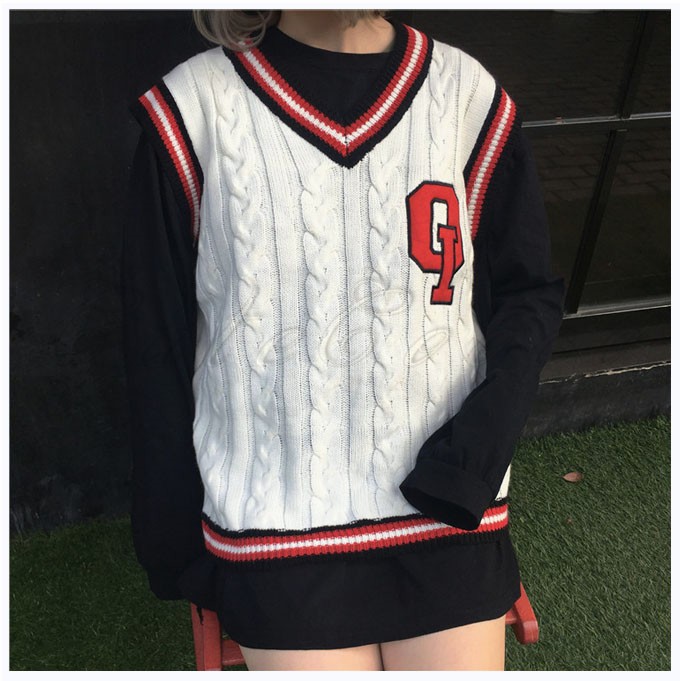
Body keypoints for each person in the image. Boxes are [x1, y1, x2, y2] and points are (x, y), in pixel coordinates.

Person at [120, 9, 565, 671]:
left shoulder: (468, 97)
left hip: (445, 513)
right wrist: (176, 545)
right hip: (276, 529)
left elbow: (529, 294)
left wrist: (474, 456)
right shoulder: (191, 112)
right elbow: (155, 343)